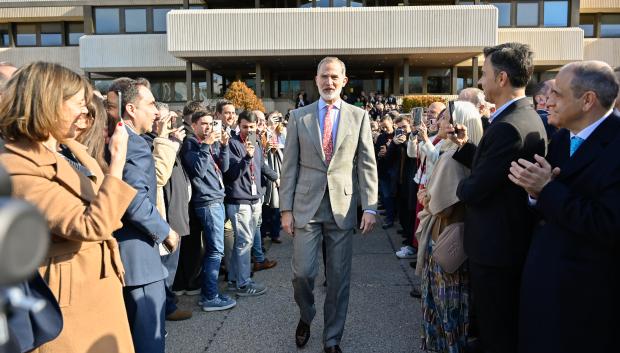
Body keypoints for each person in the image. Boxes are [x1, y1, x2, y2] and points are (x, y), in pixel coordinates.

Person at [0, 62, 137, 353]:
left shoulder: (64, 150)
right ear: (49, 104)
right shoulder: (16, 168)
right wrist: (117, 161)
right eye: (79, 105)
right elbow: (91, 224)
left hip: (92, 290)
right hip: (69, 305)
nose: (86, 115)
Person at [508, 61, 620, 353]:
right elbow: (547, 204)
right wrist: (534, 193)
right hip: (544, 283)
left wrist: (546, 190)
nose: (547, 100)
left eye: (557, 93)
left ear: (587, 100)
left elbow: (607, 224)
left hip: (585, 301)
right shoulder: (560, 139)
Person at [448, 42, 547, 353]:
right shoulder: (521, 117)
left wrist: (460, 188)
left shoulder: (509, 126)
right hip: (504, 243)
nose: (481, 82)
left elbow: (478, 188)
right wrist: (466, 149)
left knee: (497, 331)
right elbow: (497, 170)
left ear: (501, 78)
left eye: (485, 74)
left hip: (496, 249)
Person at [280, 57, 378, 353]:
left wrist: (370, 206)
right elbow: (289, 167)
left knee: (338, 279)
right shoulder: (300, 116)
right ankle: (306, 315)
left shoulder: (358, 116)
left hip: (342, 207)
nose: (329, 82)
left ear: (344, 81)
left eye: (335, 77)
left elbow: (367, 164)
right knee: (303, 275)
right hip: (305, 207)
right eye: (324, 76)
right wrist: (285, 209)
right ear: (316, 78)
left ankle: (332, 338)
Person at [113, 79, 180, 353]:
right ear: (130, 108)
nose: (156, 112)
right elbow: (134, 202)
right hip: (138, 262)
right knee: (148, 342)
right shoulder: (134, 144)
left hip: (127, 260)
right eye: (151, 104)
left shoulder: (121, 139)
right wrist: (166, 232)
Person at [417, 101, 483, 353]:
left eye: (445, 117)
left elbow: (441, 204)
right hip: (454, 236)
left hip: (446, 236)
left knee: (447, 304)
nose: (440, 122)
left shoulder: (455, 155)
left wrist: (426, 198)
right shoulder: (460, 150)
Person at [182, 110, 238, 311]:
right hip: (207, 203)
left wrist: (222, 147)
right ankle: (210, 297)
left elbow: (223, 169)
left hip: (216, 200)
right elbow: (197, 170)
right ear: (194, 125)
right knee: (215, 251)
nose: (208, 127)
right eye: (203, 124)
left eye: (210, 123)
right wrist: (206, 145)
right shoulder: (190, 144)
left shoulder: (207, 144)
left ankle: (209, 292)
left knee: (215, 250)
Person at [224, 110, 278, 296]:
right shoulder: (232, 144)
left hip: (255, 199)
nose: (248, 130)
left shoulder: (255, 142)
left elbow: (261, 165)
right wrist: (246, 157)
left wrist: (276, 178)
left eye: (252, 127)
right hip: (239, 201)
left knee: (244, 241)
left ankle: (234, 280)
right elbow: (230, 175)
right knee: (244, 242)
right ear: (239, 125)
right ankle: (243, 284)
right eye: (245, 126)